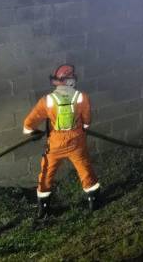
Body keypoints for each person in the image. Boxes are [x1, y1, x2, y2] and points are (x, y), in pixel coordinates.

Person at [22, 64, 100, 219]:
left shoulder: (47, 100)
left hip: (55, 145)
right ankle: (94, 203)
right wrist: (83, 127)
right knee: (85, 170)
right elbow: (86, 121)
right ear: (71, 80)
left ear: (57, 81)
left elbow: (28, 123)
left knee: (46, 174)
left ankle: (43, 210)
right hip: (76, 142)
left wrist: (31, 131)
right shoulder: (81, 97)